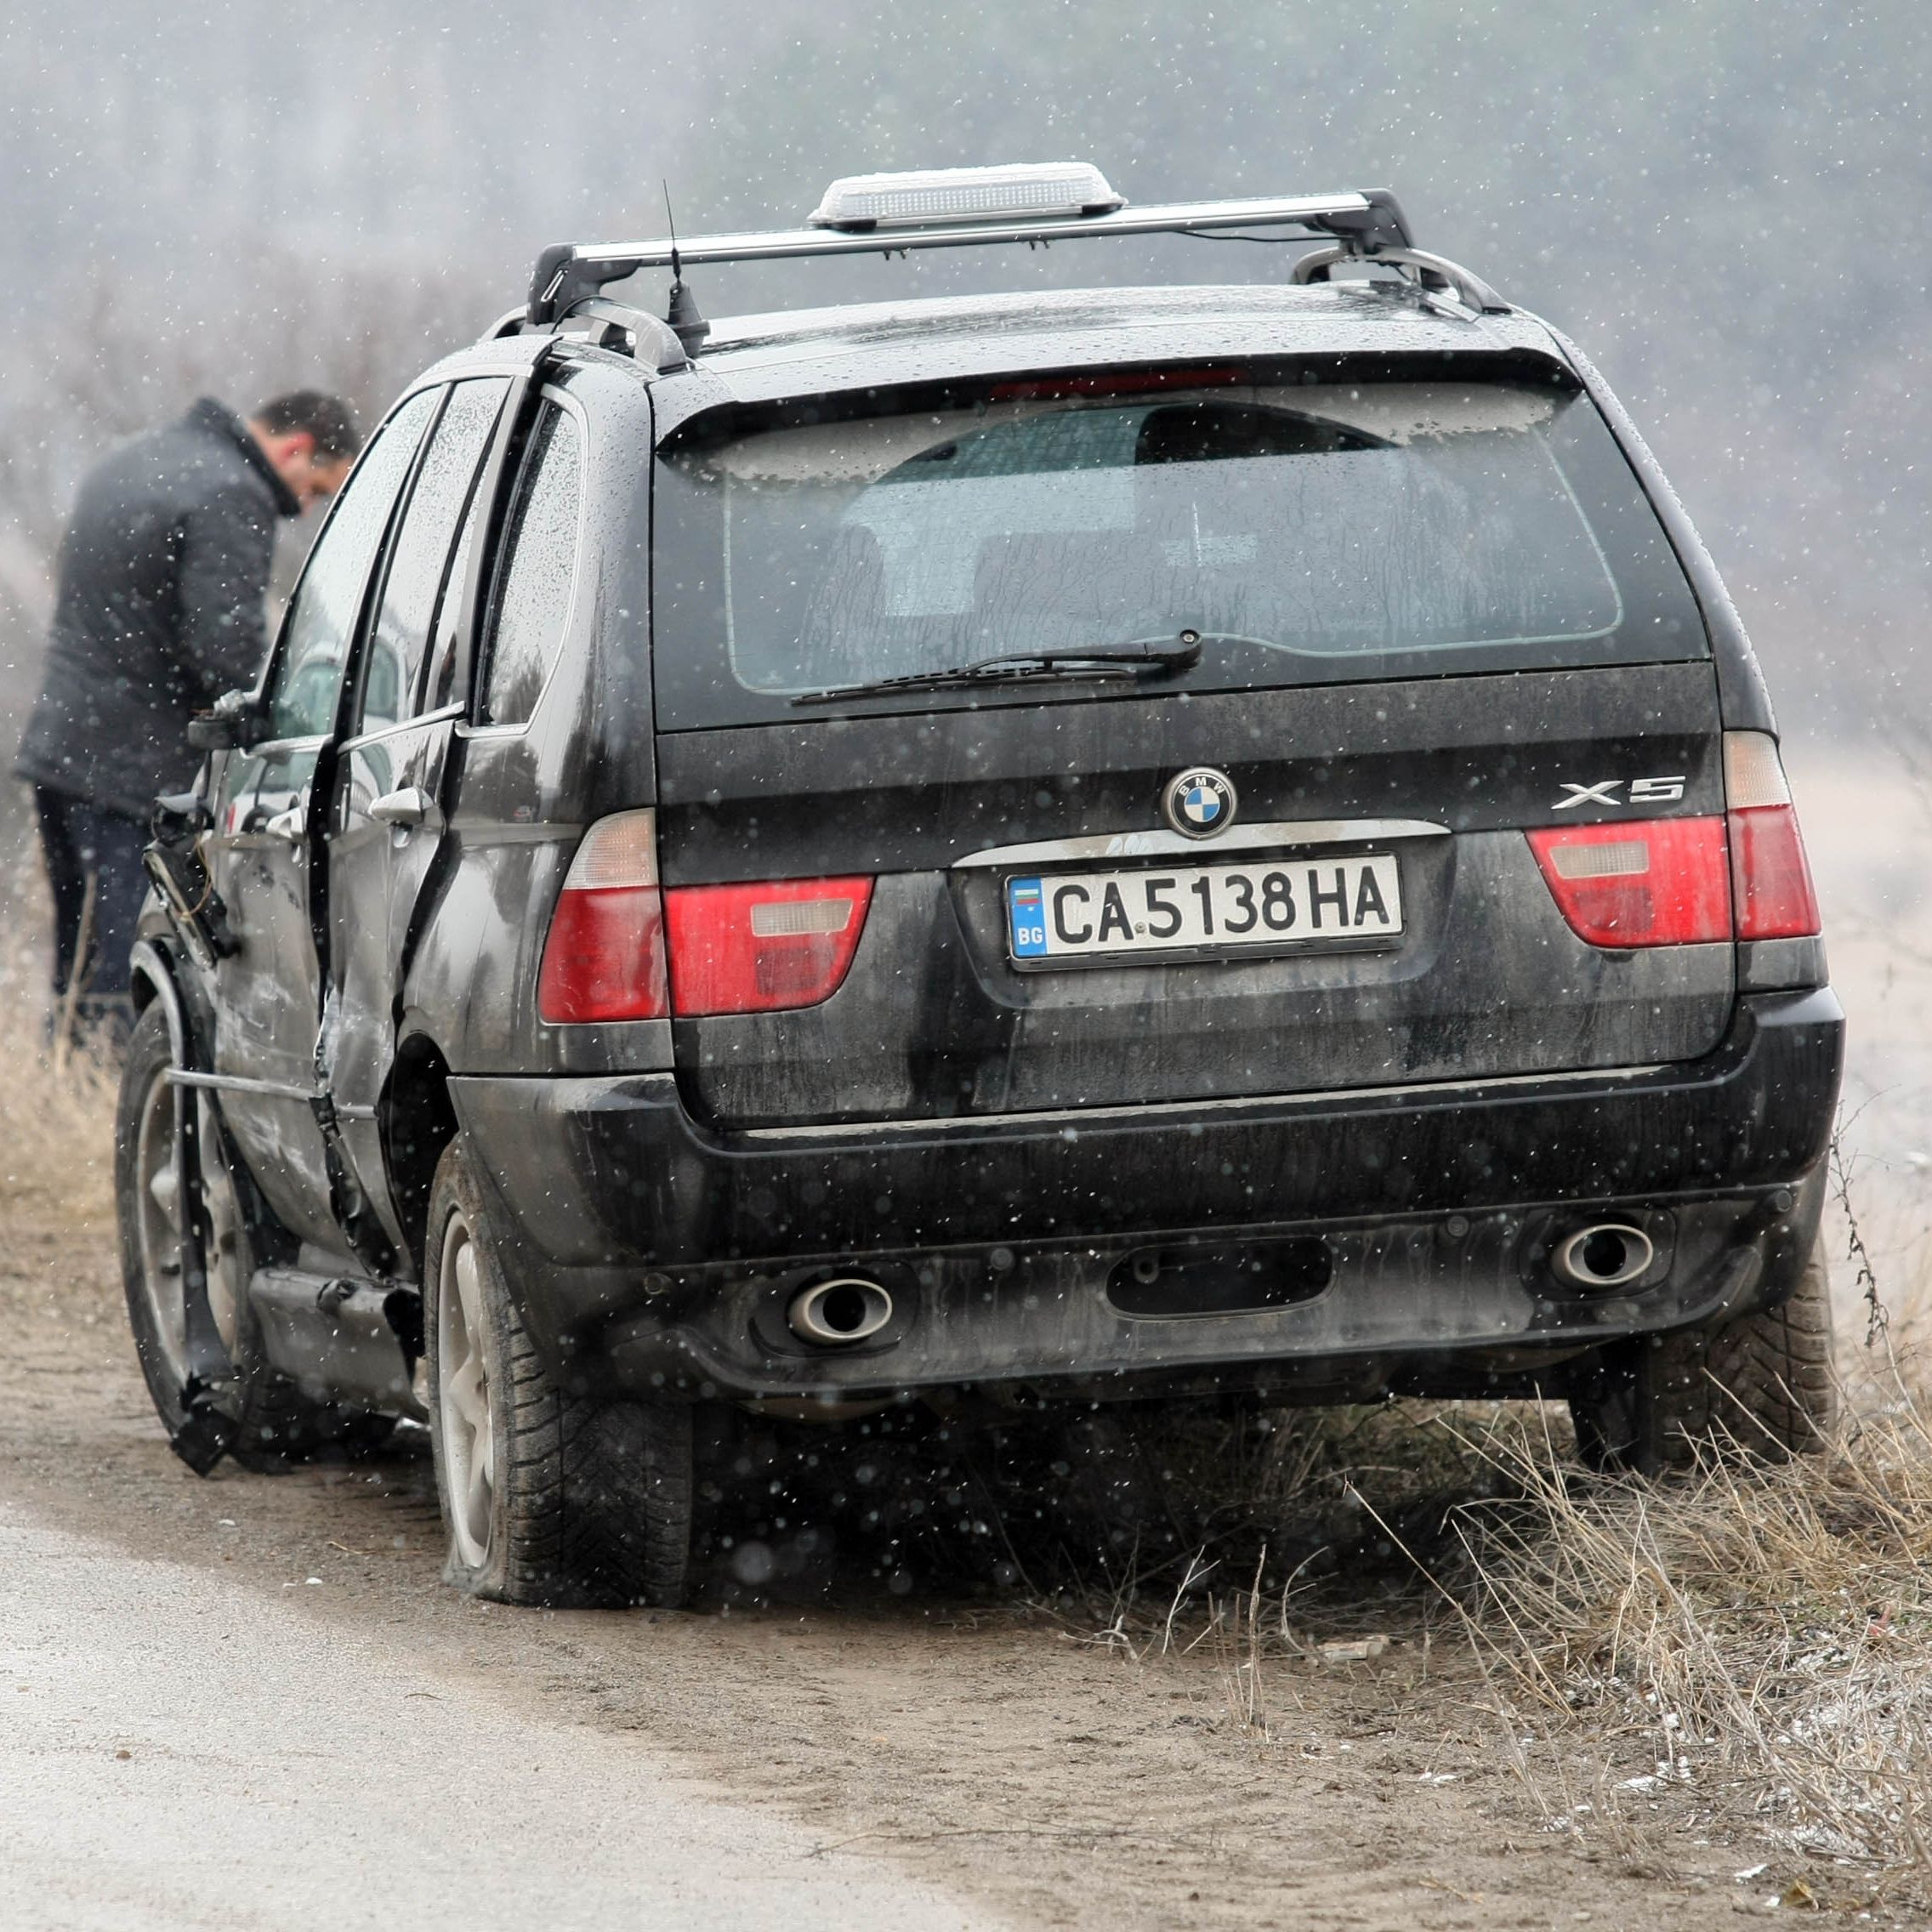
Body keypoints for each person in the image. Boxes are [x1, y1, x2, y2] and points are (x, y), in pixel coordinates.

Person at [16, 391, 361, 1039]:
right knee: (127, 971)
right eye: (312, 489)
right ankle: (104, 1121)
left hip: (61, 753)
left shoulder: (132, 460)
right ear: (296, 449)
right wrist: (275, 725)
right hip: (132, 772)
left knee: (76, 963)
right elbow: (223, 650)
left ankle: (67, 1095)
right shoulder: (232, 493)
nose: (304, 508)